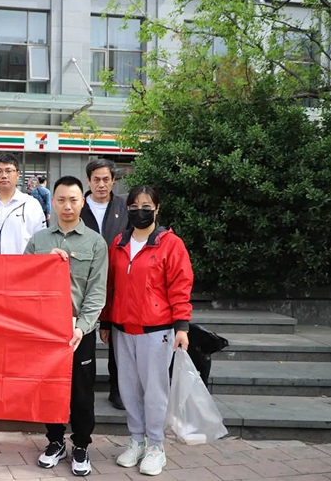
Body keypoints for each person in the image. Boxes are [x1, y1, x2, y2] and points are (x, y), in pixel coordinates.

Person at [99, 185, 193, 477]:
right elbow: (110, 285)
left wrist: (182, 325)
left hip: (157, 330)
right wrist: (105, 320)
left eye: (146, 206)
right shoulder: (119, 243)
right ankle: (136, 440)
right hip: (122, 328)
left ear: (157, 209)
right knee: (128, 389)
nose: (140, 211)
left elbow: (180, 285)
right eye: (134, 206)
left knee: (154, 391)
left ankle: (155, 446)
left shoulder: (170, 244)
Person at [25, 176, 108, 477]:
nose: (67, 206)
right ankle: (55, 441)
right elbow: (23, 279)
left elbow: (97, 292)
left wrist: (82, 327)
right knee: (50, 389)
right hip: (46, 330)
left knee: (82, 392)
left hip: (79, 332)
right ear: (53, 202)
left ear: (82, 202)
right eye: (61, 200)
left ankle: (82, 444)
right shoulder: (39, 241)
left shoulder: (95, 243)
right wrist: (42, 263)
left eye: (73, 200)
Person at [79, 159, 128, 411]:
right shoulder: (78, 206)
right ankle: (80, 390)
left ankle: (117, 388)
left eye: (106, 179)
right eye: (96, 179)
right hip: (83, 281)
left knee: (117, 337)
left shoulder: (123, 207)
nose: (101, 184)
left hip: (117, 281)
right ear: (88, 181)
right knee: (82, 333)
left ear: (113, 180)